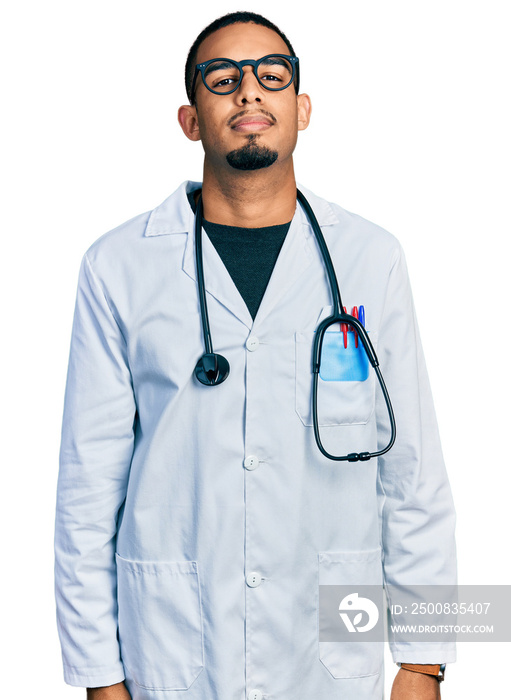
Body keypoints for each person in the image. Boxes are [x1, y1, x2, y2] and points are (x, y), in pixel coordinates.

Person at [54, 11, 457, 700]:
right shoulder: (117, 264)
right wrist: (97, 677)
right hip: (173, 650)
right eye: (222, 79)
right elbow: (86, 490)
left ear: (301, 109)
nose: (248, 93)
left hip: (333, 646)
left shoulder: (371, 255)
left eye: (271, 76)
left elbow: (414, 472)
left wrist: (426, 662)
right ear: (189, 119)